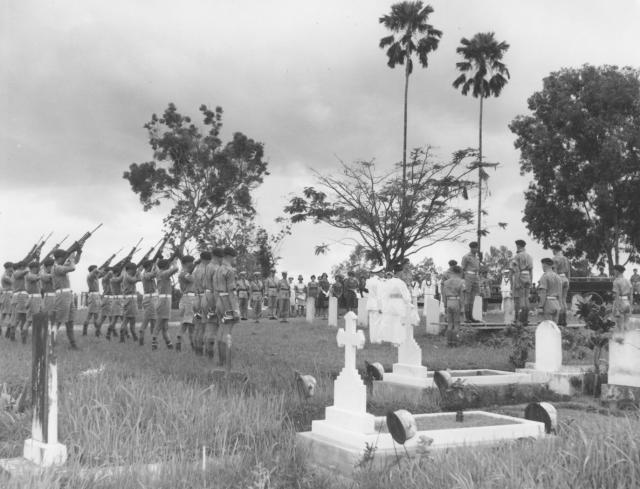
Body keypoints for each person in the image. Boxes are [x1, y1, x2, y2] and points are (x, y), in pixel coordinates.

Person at [213, 247, 240, 366]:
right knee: (227, 331)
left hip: (219, 300)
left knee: (221, 330)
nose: (235, 260)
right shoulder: (230, 270)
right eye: (234, 257)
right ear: (230, 256)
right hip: (227, 302)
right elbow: (232, 291)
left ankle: (221, 361)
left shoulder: (218, 269)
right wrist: (236, 310)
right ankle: (224, 361)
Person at [52, 248, 81, 349]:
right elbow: (73, 267)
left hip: (67, 295)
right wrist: (71, 258)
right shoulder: (56, 267)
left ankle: (73, 344)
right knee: (59, 320)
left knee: (70, 321)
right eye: (64, 257)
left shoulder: (60, 266)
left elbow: (75, 262)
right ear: (59, 258)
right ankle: (50, 342)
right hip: (62, 295)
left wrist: (79, 252)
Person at [378, 270, 416, 345]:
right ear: (399, 274)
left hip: (390, 303)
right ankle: (397, 340)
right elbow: (406, 295)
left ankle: (388, 338)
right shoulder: (401, 283)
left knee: (390, 321)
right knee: (398, 322)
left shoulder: (388, 282)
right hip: (399, 303)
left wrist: (383, 305)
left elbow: (384, 294)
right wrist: (408, 302)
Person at [203, 248, 222, 358]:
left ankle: (207, 353)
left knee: (208, 327)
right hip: (214, 298)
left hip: (206, 297)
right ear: (220, 257)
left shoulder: (207, 266)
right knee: (213, 329)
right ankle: (210, 356)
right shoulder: (216, 268)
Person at [154, 258, 177, 350]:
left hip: (164, 300)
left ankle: (169, 344)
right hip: (165, 301)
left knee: (165, 326)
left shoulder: (159, 272)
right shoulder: (163, 273)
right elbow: (175, 269)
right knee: (159, 324)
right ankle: (154, 344)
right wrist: (174, 263)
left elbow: (156, 266)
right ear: (165, 266)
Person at [192, 251, 212, 354]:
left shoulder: (196, 270)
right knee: (204, 326)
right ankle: (202, 350)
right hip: (204, 298)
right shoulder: (206, 269)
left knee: (197, 326)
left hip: (196, 298)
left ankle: (197, 349)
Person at [177, 255, 197, 352]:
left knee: (191, 324)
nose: (192, 264)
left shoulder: (185, 273)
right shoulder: (183, 273)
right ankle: (178, 341)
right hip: (189, 298)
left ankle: (193, 344)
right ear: (185, 263)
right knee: (186, 323)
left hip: (189, 298)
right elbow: (192, 279)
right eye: (191, 262)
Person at [442, 265, 466, 346]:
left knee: (449, 324)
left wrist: (445, 306)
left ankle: (449, 342)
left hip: (448, 302)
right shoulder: (462, 282)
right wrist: (462, 307)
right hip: (456, 301)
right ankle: (455, 342)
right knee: (456, 323)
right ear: (459, 272)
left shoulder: (446, 282)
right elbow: (462, 296)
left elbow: (444, 295)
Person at [512, 239, 533, 325]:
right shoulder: (529, 256)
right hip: (528, 276)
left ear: (519, 246)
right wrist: (531, 280)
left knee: (521, 299)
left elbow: (516, 270)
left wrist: (516, 281)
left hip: (520, 276)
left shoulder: (517, 256)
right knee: (526, 298)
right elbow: (531, 270)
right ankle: (526, 319)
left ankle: (520, 319)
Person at [551, 244, 571, 326]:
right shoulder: (566, 258)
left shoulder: (555, 259)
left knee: (559, 301)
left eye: (553, 250)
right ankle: (564, 320)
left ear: (555, 250)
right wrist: (568, 280)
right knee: (564, 300)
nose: (552, 251)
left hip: (559, 278)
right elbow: (569, 271)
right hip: (565, 278)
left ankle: (560, 319)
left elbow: (554, 272)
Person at [139, 260, 158, 347]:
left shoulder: (144, 274)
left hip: (149, 298)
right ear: (149, 267)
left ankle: (151, 340)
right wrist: (156, 265)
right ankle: (144, 339)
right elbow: (155, 274)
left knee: (151, 320)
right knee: (149, 320)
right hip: (150, 299)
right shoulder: (146, 275)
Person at [461, 242, 481, 323]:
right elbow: (463, 269)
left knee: (472, 298)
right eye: (475, 248)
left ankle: (471, 317)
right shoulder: (466, 257)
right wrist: (463, 281)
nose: (476, 249)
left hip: (475, 277)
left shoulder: (477, 257)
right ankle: (467, 317)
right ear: (471, 248)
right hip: (468, 277)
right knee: (467, 298)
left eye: (477, 248)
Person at [537, 258, 562, 323]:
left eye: (542, 265)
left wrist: (540, 306)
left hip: (548, 303)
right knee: (555, 327)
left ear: (545, 265)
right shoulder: (558, 277)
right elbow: (560, 292)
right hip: (556, 303)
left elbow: (543, 292)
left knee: (548, 327)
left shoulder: (544, 276)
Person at [121, 263, 141, 343]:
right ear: (130, 269)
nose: (134, 271)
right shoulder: (127, 276)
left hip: (128, 300)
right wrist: (139, 271)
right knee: (130, 320)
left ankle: (134, 337)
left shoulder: (125, 275)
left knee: (128, 319)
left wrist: (137, 272)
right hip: (131, 300)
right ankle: (133, 337)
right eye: (134, 269)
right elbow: (137, 279)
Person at [10, 261, 29, 342]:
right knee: (20, 318)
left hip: (17, 296)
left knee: (19, 318)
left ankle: (14, 336)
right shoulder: (17, 272)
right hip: (20, 296)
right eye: (25, 266)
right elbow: (20, 274)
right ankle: (18, 337)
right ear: (21, 266)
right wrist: (27, 269)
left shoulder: (17, 273)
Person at [24, 261, 42, 343]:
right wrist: (41, 273)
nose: (38, 269)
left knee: (31, 320)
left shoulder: (32, 274)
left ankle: (25, 338)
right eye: (37, 267)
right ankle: (36, 339)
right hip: (33, 298)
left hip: (36, 298)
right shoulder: (29, 275)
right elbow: (37, 278)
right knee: (34, 319)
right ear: (34, 268)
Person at [612, 264, 632, 335]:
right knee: (626, 325)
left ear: (617, 271)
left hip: (620, 302)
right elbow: (631, 295)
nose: (613, 272)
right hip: (627, 302)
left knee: (619, 327)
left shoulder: (616, 281)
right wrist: (631, 306)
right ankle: (628, 341)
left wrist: (616, 309)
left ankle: (622, 343)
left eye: (614, 270)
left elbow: (616, 296)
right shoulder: (628, 281)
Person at [83, 265, 102, 336]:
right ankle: (86, 332)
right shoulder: (90, 276)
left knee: (95, 315)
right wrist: (98, 270)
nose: (97, 270)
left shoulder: (95, 276)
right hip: (94, 296)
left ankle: (97, 331)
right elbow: (96, 272)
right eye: (95, 269)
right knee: (90, 315)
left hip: (96, 296)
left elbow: (100, 273)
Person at [106, 266, 123, 341]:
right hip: (118, 300)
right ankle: (124, 335)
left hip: (116, 300)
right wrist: (124, 271)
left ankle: (108, 334)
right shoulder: (114, 279)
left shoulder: (112, 279)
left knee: (115, 319)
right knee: (123, 319)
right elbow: (121, 278)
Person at [366, 270, 383, 343]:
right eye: (382, 272)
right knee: (378, 323)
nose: (383, 274)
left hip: (370, 304)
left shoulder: (369, 281)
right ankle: (378, 340)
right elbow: (379, 295)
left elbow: (366, 292)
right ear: (378, 273)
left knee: (372, 322)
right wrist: (380, 307)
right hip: (376, 304)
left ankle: (372, 339)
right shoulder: (379, 282)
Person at [1, 262, 14, 337]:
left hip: (7, 295)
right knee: (9, 314)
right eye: (11, 267)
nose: (12, 268)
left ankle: (7, 330)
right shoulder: (5, 276)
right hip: (7, 295)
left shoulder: (7, 275)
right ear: (8, 267)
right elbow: (13, 281)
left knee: (4, 314)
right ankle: (8, 331)